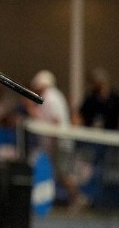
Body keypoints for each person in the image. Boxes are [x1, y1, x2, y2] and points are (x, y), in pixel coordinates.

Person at [27, 69, 88, 212]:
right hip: (57, 143)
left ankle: (79, 198)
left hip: (59, 143)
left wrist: (53, 144)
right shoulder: (52, 97)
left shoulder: (51, 98)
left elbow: (56, 122)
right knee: (56, 173)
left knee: (63, 173)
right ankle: (48, 201)